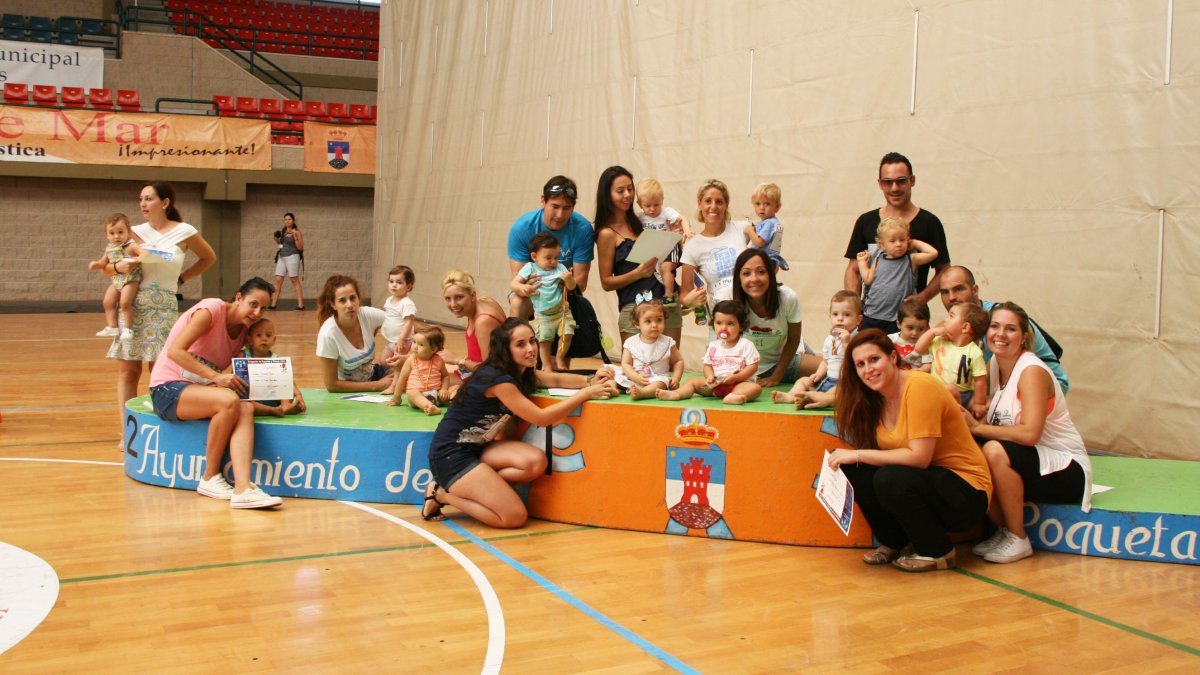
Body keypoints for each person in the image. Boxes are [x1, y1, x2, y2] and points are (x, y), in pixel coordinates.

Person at [421, 318, 619, 527]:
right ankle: (441, 494)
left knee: (535, 462)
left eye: (532, 341)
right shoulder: (497, 379)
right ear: (506, 350)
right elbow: (540, 418)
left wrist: (589, 380)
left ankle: (482, 485)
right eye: (521, 344)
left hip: (477, 448)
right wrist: (586, 394)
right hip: (451, 456)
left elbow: (554, 379)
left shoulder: (518, 371)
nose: (531, 349)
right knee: (514, 517)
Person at [827, 330, 992, 572]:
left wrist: (858, 454)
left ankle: (939, 551)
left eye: (874, 359)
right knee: (855, 469)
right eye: (860, 365)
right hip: (929, 483)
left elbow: (919, 457)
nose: (868, 369)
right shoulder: (874, 398)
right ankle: (894, 542)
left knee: (887, 476)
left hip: (966, 493)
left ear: (893, 358)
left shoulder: (919, 386)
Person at [964, 302, 1092, 564]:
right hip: (1031, 460)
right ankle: (1003, 531)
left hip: (1066, 469)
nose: (1000, 334)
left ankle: (1018, 536)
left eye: (1010, 329)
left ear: (1024, 337)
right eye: (995, 327)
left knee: (993, 450)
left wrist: (978, 428)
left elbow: (1030, 434)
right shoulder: (994, 366)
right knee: (970, 451)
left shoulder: (1031, 370)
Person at [148, 277, 283, 509]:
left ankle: (243, 488)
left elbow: (265, 361)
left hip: (200, 392)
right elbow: (175, 352)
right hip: (167, 388)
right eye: (253, 304)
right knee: (229, 400)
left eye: (263, 308)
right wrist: (216, 377)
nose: (257, 312)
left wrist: (291, 391)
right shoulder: (210, 310)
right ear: (238, 298)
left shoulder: (245, 331)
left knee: (246, 407)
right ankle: (209, 477)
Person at [107, 182, 217, 443]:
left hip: (164, 304)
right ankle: (128, 431)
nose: (143, 204)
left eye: (149, 199)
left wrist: (182, 279)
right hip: (132, 303)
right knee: (128, 372)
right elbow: (112, 264)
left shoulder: (185, 231)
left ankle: (158, 427)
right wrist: (121, 265)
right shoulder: (133, 232)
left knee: (161, 372)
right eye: (140, 199)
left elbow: (208, 258)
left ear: (165, 202)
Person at [938, 265, 1070, 394]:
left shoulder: (1003, 317)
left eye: (959, 289)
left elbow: (1058, 382)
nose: (951, 298)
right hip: (997, 392)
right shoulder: (948, 326)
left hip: (1046, 387)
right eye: (945, 292)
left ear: (975, 290)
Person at [595, 166, 685, 345]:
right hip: (634, 306)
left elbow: (671, 257)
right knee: (636, 368)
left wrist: (678, 238)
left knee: (671, 365)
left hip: (666, 304)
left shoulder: (644, 221)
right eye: (620, 191)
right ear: (607, 195)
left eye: (630, 189)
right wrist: (638, 273)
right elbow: (606, 282)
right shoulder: (607, 233)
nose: (627, 194)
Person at [844, 152, 950, 304]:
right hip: (871, 318)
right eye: (888, 182)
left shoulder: (930, 222)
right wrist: (853, 308)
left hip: (912, 322)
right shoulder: (865, 221)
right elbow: (854, 270)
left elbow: (944, 270)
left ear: (912, 181)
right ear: (880, 184)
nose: (894, 188)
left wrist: (922, 297)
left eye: (901, 181)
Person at [731, 249, 821, 388]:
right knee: (827, 375)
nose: (754, 278)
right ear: (738, 278)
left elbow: (793, 339)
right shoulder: (728, 297)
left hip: (788, 353)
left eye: (761, 271)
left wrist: (776, 377)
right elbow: (720, 339)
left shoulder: (788, 298)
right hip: (762, 366)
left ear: (771, 274)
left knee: (836, 369)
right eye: (746, 273)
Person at [507, 176, 594, 319]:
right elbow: (519, 279)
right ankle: (520, 338)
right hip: (535, 290)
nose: (560, 215)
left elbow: (580, 283)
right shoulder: (521, 228)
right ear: (543, 201)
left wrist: (557, 287)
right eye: (555, 206)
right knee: (517, 303)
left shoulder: (583, 229)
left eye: (566, 208)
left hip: (565, 292)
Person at [657, 300, 761, 405]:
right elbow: (707, 365)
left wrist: (736, 378)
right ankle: (677, 394)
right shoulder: (713, 345)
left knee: (755, 388)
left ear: (741, 326)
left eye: (730, 324)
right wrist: (709, 376)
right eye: (719, 323)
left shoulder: (746, 345)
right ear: (713, 323)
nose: (723, 328)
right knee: (692, 382)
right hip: (715, 385)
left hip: (738, 384)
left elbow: (753, 366)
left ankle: (734, 396)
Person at [773, 290, 861, 407]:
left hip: (846, 384)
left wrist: (847, 343)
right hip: (828, 379)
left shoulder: (858, 339)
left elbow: (858, 361)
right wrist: (818, 374)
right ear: (830, 316)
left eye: (847, 315)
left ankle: (815, 400)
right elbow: (826, 361)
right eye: (835, 314)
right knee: (803, 380)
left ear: (858, 320)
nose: (840, 319)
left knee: (835, 392)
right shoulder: (830, 339)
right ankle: (792, 395)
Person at [680, 179, 750, 322]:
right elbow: (684, 296)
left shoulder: (744, 229)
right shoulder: (692, 246)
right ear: (700, 203)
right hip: (721, 319)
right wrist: (692, 300)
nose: (714, 206)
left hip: (752, 312)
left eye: (719, 202)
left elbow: (768, 265)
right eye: (708, 201)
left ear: (726, 205)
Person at [855, 216, 939, 333]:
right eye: (893, 241)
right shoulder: (879, 259)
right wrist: (861, 263)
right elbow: (868, 279)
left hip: (895, 318)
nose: (898, 244)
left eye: (902, 240)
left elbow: (933, 253)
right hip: (873, 313)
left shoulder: (911, 259)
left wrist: (915, 243)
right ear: (882, 244)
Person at [315, 274, 394, 392]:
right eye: (342, 300)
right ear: (333, 304)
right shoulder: (328, 334)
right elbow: (332, 385)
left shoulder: (367, 314)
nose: (350, 305)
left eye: (352, 298)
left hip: (374, 375)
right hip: (347, 388)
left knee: (406, 374)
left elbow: (402, 324)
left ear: (359, 299)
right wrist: (377, 385)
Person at [511, 231, 577, 372]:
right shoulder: (530, 268)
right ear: (534, 256)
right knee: (544, 340)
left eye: (556, 257)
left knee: (568, 333)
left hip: (562, 311)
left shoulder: (560, 268)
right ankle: (546, 364)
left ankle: (559, 357)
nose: (554, 261)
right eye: (548, 258)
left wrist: (569, 280)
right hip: (543, 314)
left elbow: (571, 287)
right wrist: (523, 287)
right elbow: (514, 284)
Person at [916, 301, 990, 418]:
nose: (945, 320)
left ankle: (961, 417)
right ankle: (955, 415)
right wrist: (932, 332)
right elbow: (919, 348)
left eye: (951, 316)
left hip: (965, 395)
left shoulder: (974, 352)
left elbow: (980, 380)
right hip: (937, 389)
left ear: (965, 327)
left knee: (988, 405)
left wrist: (978, 403)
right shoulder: (940, 341)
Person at [605, 300, 683, 399]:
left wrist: (676, 378)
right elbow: (626, 364)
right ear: (637, 324)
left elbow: (678, 361)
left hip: (656, 378)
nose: (654, 325)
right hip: (634, 377)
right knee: (613, 377)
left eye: (659, 320)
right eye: (648, 321)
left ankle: (643, 393)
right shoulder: (631, 342)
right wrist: (634, 376)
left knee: (660, 383)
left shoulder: (668, 342)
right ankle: (612, 389)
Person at [88, 212, 147, 340]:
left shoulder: (131, 246)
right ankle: (113, 327)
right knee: (107, 302)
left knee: (125, 303)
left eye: (120, 232)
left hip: (130, 280)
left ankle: (128, 329)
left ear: (129, 232)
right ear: (106, 235)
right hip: (117, 280)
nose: (116, 236)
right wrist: (96, 264)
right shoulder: (109, 248)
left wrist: (139, 258)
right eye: (112, 233)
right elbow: (104, 262)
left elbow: (144, 253)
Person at [635, 177, 693, 301]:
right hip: (653, 250)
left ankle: (669, 296)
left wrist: (687, 230)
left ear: (662, 200)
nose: (652, 209)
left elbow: (682, 218)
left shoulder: (666, 212)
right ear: (639, 204)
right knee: (654, 272)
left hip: (669, 245)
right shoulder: (640, 217)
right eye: (647, 206)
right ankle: (676, 290)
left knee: (665, 268)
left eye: (657, 204)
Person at [237, 317, 307, 417]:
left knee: (286, 385)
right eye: (258, 335)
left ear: (274, 340)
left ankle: (285, 405)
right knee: (241, 401)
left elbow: (288, 381)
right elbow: (234, 377)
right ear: (250, 339)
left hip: (272, 398)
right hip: (252, 400)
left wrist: (298, 394)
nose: (264, 338)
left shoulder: (276, 359)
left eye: (268, 335)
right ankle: (272, 411)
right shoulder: (243, 356)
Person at [442, 269, 507, 375]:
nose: (453, 304)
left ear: (473, 295)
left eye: (459, 297)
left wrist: (458, 360)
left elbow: (491, 371)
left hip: (487, 376)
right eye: (448, 299)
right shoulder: (484, 301)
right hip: (475, 369)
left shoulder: (483, 321)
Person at [387, 326, 461, 415]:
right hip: (417, 397)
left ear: (433, 349)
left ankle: (448, 403)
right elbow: (402, 379)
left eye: (421, 345)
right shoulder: (411, 359)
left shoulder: (439, 360)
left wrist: (444, 389)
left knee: (457, 387)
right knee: (411, 392)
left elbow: (445, 376)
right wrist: (396, 398)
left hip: (436, 394)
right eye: (414, 342)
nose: (415, 347)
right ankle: (430, 407)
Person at [379, 264, 417, 394]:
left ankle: (394, 387)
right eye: (391, 281)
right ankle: (408, 373)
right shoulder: (389, 300)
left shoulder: (406, 303)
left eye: (399, 282)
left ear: (408, 286)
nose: (394, 285)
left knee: (396, 365)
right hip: (391, 340)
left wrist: (401, 339)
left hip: (402, 341)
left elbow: (408, 323)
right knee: (383, 361)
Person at [744, 182, 789, 271]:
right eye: (758, 204)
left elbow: (760, 242)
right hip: (769, 260)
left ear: (777, 207)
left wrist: (750, 231)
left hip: (765, 261)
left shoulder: (770, 223)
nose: (762, 208)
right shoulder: (770, 222)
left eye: (767, 204)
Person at [271, 212, 305, 310]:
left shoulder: (296, 231)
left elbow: (301, 247)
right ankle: (273, 304)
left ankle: (301, 305)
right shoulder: (283, 231)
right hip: (282, 257)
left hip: (292, 256)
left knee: (294, 280)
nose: (287, 221)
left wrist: (295, 237)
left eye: (289, 219)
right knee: (278, 279)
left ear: (293, 220)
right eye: (285, 219)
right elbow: (281, 246)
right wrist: (276, 239)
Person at [889, 298, 932, 372]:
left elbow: (929, 365)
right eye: (910, 328)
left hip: (915, 379)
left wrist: (918, 371)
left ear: (927, 327)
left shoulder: (925, 344)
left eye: (921, 329)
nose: (915, 333)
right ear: (899, 324)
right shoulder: (889, 340)